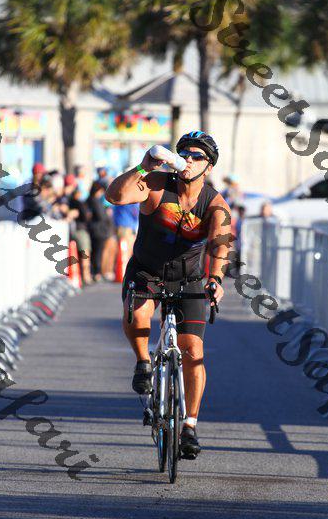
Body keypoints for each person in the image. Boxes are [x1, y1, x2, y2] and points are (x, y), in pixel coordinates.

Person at [105, 131, 230, 459]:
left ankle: (189, 426)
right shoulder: (158, 184)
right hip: (146, 271)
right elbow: (115, 197)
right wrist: (144, 166)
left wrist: (216, 279)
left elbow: (220, 245)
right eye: (184, 153)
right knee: (138, 315)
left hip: (188, 279)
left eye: (197, 156)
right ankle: (143, 362)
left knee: (193, 350)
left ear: (209, 167)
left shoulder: (215, 204)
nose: (188, 160)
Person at [69, 187, 93, 285]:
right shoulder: (78, 203)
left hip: (72, 230)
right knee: (85, 254)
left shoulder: (69, 202)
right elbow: (86, 216)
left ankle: (81, 276)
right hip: (81, 231)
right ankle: (86, 276)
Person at [87, 181, 110, 281]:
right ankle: (97, 272)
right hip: (98, 230)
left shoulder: (89, 200)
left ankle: (94, 272)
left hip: (94, 230)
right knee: (98, 253)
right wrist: (106, 213)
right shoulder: (95, 201)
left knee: (94, 252)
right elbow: (101, 216)